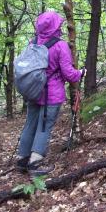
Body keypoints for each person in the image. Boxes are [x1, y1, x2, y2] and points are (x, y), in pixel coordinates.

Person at [16, 11, 85, 177]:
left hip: (33, 91)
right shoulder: (60, 46)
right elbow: (69, 74)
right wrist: (81, 73)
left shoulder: (33, 43)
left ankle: (21, 160)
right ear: (56, 26)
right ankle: (35, 164)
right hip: (51, 95)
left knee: (30, 124)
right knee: (44, 127)